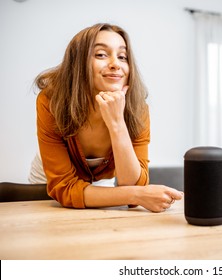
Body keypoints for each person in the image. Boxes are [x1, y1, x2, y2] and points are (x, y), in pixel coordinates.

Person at [29, 23, 183, 212]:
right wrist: (135, 194)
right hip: (49, 181)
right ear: (78, 63)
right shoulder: (52, 100)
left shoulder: (138, 109)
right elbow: (65, 188)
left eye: (122, 56)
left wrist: (117, 122)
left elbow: (133, 184)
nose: (115, 64)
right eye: (101, 54)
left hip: (102, 183)